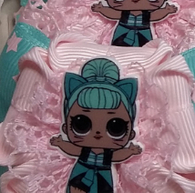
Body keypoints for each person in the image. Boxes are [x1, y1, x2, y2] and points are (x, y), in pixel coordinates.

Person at [50, 58, 142, 193]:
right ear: (65, 127)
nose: (98, 133)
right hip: (80, 175)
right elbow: (72, 150)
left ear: (131, 134)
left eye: (116, 127)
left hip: (104, 178)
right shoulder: (84, 152)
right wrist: (60, 143)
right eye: (81, 124)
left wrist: (130, 151)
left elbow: (118, 156)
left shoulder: (108, 155)